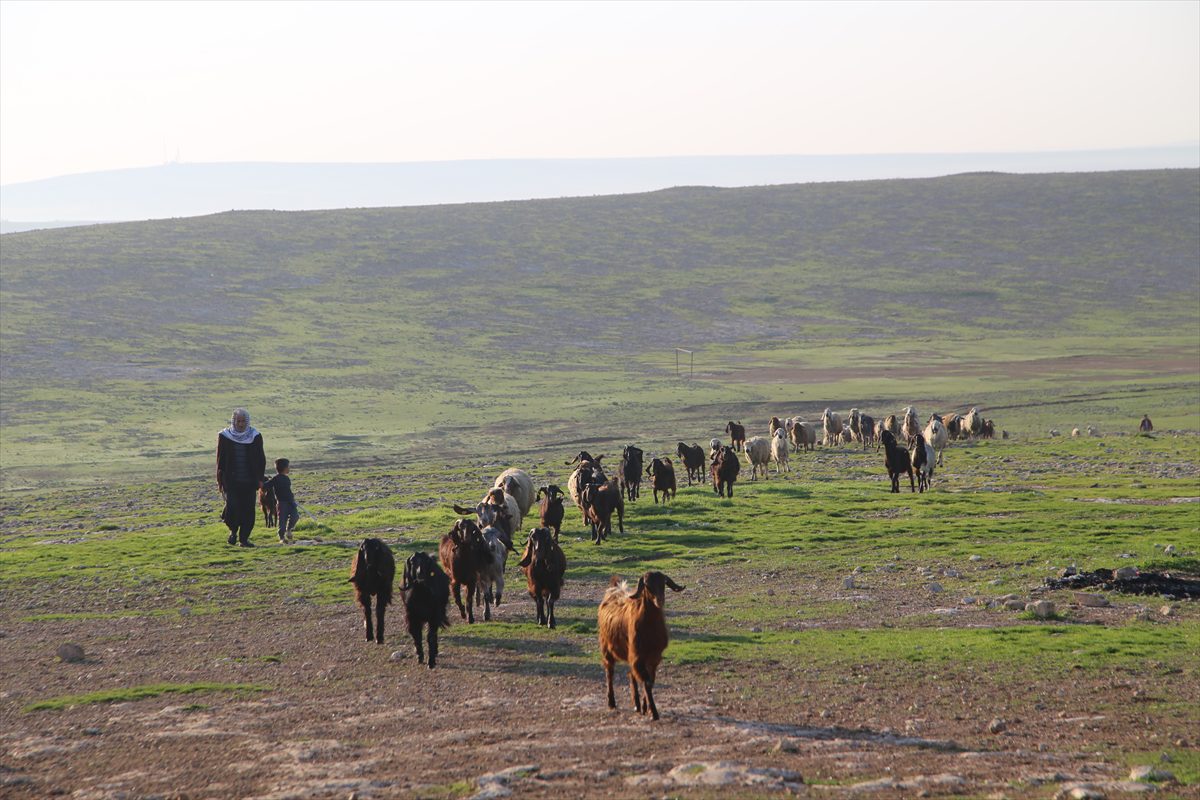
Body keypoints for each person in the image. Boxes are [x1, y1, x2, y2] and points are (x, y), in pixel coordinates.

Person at [216, 408, 266, 547]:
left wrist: (259, 479)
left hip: (249, 482)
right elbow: (220, 460)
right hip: (231, 481)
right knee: (232, 508)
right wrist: (220, 481)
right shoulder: (225, 436)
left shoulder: (255, 436)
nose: (241, 424)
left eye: (243, 421)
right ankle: (233, 532)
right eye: (238, 421)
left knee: (248, 511)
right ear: (234, 421)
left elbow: (261, 459)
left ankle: (244, 539)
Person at [263, 458, 298, 543]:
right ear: (285, 468)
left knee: (295, 516)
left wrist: (292, 500)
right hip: (282, 503)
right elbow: (266, 485)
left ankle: (289, 530)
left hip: (291, 502)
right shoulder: (275, 479)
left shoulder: (286, 478)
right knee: (282, 521)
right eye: (288, 467)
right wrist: (260, 484)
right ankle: (282, 537)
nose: (289, 468)